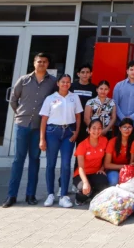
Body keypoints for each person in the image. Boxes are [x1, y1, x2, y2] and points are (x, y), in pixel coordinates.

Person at [4, 52, 57, 208]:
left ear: (48, 64)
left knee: (34, 159)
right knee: (18, 160)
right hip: (22, 124)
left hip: (39, 126)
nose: (41, 64)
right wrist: (21, 113)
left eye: (44, 61)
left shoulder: (52, 82)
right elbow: (13, 100)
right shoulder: (24, 80)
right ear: (34, 63)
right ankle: (11, 195)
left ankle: (30, 195)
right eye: (39, 61)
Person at [38, 73, 83, 207]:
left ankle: (63, 195)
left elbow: (78, 117)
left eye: (68, 82)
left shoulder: (74, 97)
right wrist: (42, 139)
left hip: (68, 132)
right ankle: (50, 194)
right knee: (50, 164)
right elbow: (44, 119)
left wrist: (76, 132)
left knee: (65, 164)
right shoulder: (50, 98)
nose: (65, 84)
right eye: (63, 82)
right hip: (52, 132)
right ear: (58, 83)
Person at [73, 119, 109, 205]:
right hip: (82, 174)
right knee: (84, 191)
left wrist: (102, 168)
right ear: (89, 130)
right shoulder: (82, 145)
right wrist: (85, 183)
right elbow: (80, 167)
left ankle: (92, 193)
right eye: (94, 128)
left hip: (95, 172)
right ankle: (80, 195)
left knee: (104, 184)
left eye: (99, 128)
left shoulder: (104, 141)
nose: (96, 131)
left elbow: (106, 158)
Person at [104, 118, 134, 185]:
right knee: (114, 181)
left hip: (128, 170)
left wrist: (128, 167)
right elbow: (107, 164)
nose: (127, 130)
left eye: (129, 127)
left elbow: (132, 163)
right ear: (120, 128)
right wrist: (124, 166)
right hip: (113, 170)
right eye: (124, 127)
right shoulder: (112, 142)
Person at [113, 60, 134, 125]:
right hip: (120, 123)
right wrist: (122, 117)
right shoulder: (119, 86)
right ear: (127, 71)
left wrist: (132, 117)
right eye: (131, 70)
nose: (133, 72)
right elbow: (115, 103)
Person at [71, 64, 97, 144]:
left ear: (91, 74)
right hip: (72, 121)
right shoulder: (72, 86)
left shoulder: (94, 88)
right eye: (82, 72)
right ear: (78, 74)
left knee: (82, 146)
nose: (85, 74)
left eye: (87, 72)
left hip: (86, 122)